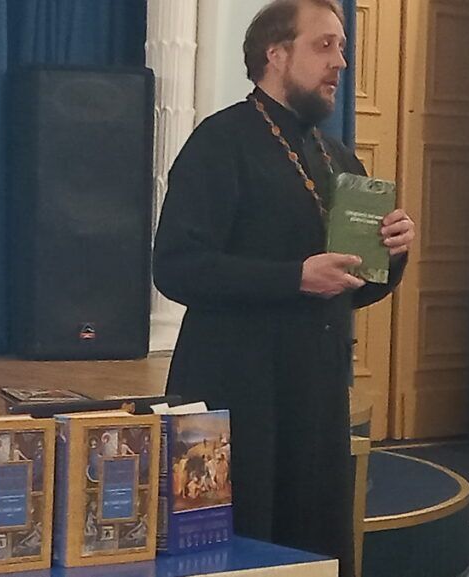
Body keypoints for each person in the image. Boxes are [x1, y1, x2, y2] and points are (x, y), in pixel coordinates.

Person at [152, 1, 415, 576]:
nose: (340, 62)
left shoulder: (338, 158)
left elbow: (353, 286)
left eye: (341, 47)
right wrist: (295, 277)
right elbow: (175, 267)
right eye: (324, 46)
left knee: (311, 549)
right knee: (237, 552)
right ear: (275, 54)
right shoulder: (220, 141)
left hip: (313, 396)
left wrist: (391, 253)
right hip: (235, 392)